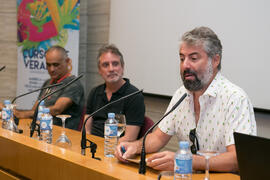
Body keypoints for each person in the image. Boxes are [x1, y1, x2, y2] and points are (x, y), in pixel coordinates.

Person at [115, 27, 256, 172]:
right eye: (182, 58)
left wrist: (186, 160)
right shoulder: (181, 94)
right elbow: (157, 138)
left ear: (215, 60)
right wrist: (135, 146)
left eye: (193, 58)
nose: (185, 65)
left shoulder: (235, 98)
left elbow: (237, 159)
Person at [14, 45, 84, 130]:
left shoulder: (74, 83)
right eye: (48, 65)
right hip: (41, 130)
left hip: (62, 133)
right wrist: (15, 112)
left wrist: (23, 114)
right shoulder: (48, 83)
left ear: (67, 61)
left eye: (56, 65)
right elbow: (34, 110)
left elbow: (57, 110)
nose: (51, 69)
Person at [85, 44, 145, 142]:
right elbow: (86, 129)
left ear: (122, 67)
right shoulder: (94, 92)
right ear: (99, 70)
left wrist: (105, 148)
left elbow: (129, 138)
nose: (111, 69)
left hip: (115, 149)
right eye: (105, 65)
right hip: (92, 146)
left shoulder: (134, 96)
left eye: (115, 64)